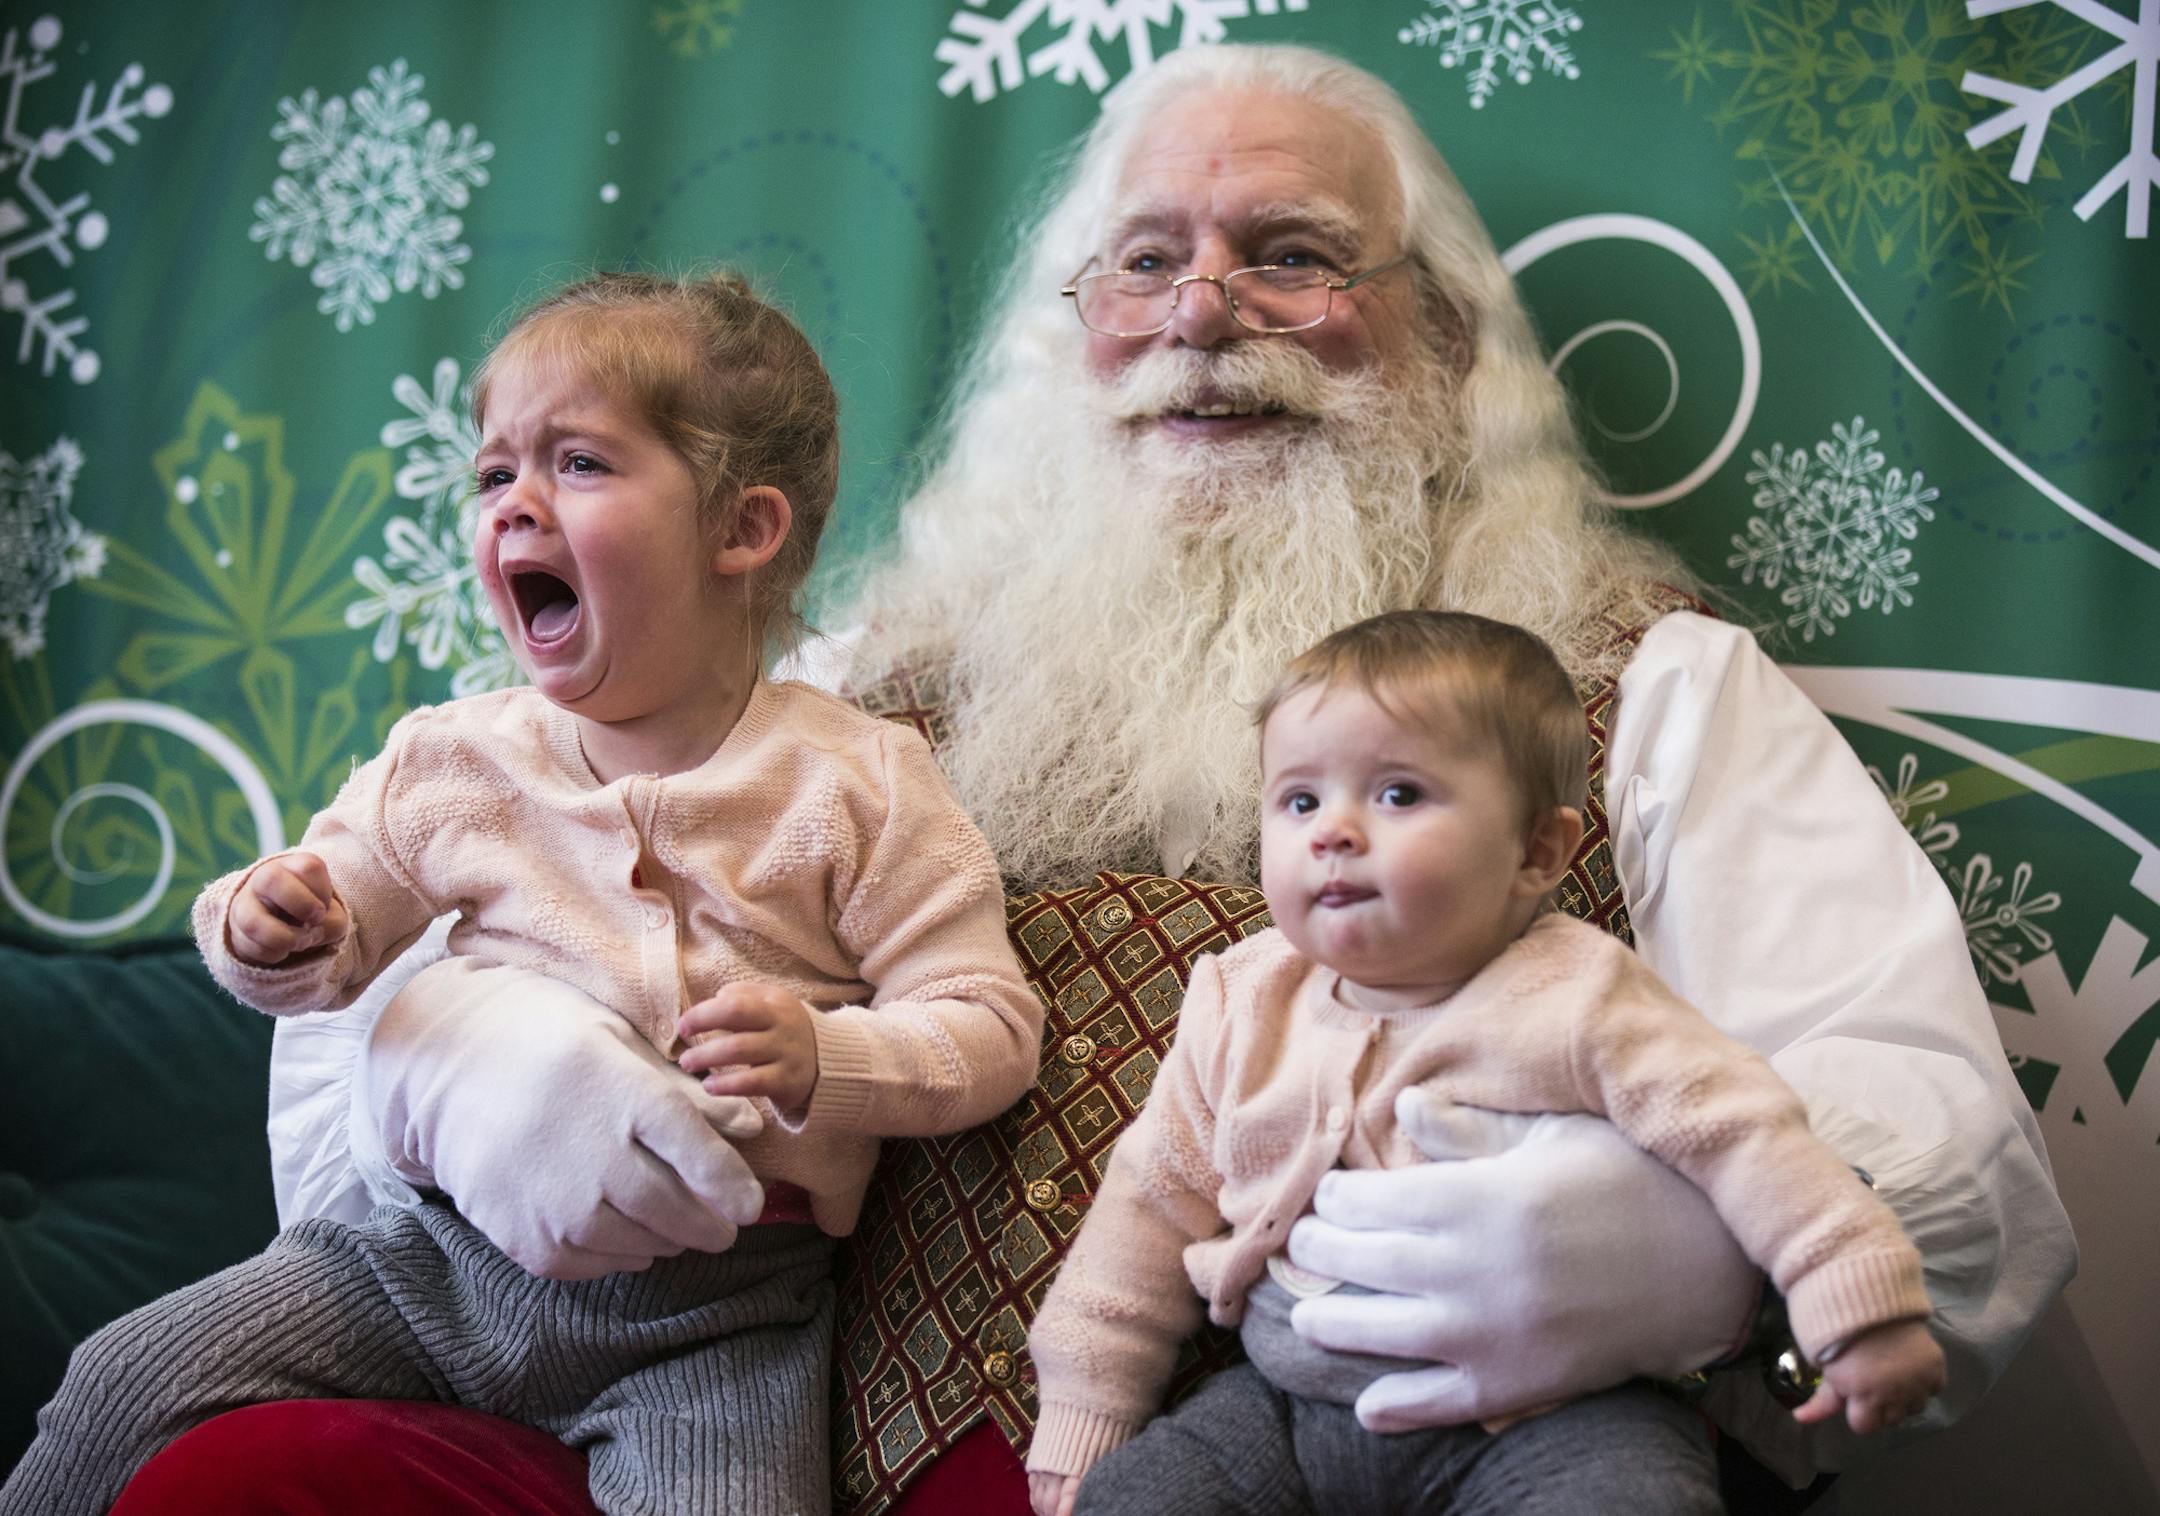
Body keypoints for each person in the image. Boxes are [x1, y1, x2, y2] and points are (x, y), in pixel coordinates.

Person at [232, 40, 2069, 1504]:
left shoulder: (1651, 695)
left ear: (1440, 337)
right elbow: (396, 932)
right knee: (245, 1472)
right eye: (1146, 261)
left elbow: (1951, 1130)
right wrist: (443, 1062)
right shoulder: (852, 697)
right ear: (1072, 342)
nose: (1204, 311)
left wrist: (1698, 1250)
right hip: (765, 1441)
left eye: (1288, 254)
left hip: (1429, 1461)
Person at [3, 270, 1043, 1516]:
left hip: (714, 1323)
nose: (515, 507)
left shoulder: (861, 782)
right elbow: (318, 931)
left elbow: (990, 1023)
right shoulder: (457, 757)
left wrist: (830, 1054)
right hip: (421, 1261)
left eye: (580, 465)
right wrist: (268, 921)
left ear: (743, 529)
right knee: (119, 1376)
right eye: (494, 475)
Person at [1024, 611, 1946, 1516]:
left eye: (1398, 794)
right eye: (1300, 800)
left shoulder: (1582, 994)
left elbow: (1744, 1131)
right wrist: (1084, 1407)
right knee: (1137, 1497)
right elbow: (1150, 1199)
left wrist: (1855, 1303)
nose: (1332, 831)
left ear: (1538, 850)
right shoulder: (1243, 999)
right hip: (1290, 1408)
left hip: (1550, 1418)